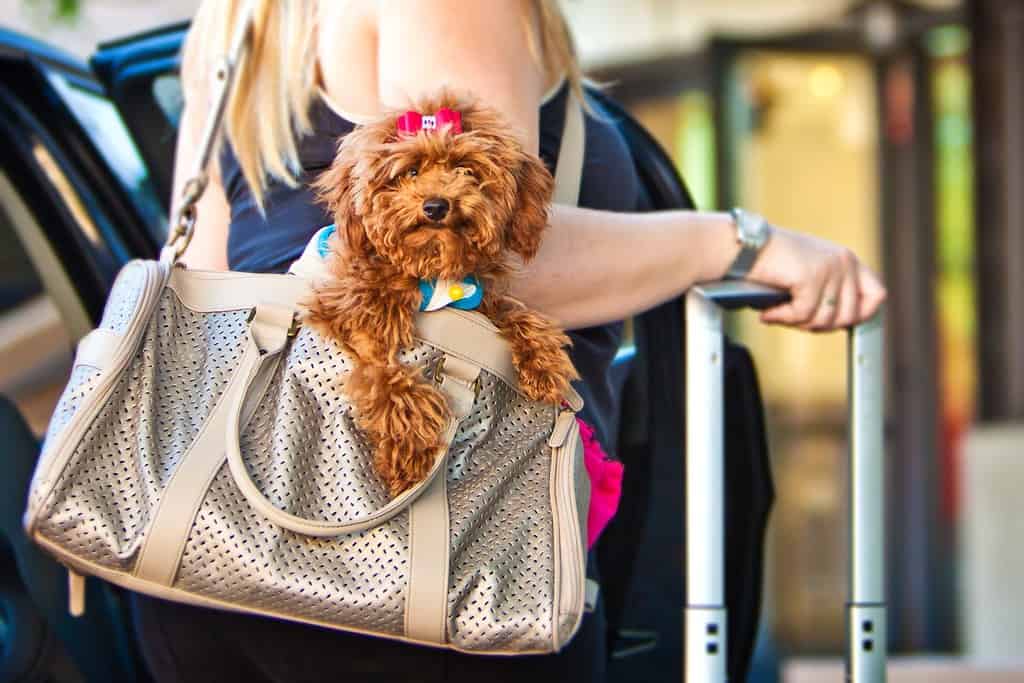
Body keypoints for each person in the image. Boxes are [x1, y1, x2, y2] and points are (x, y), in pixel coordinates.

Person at [130, 2, 887, 682]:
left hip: (215, 563)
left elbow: (206, 289)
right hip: (427, 553)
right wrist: (740, 244)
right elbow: (483, 257)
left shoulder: (238, 25)